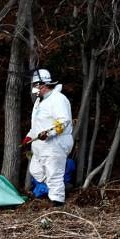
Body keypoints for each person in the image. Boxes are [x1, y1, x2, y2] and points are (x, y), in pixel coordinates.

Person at [26, 68, 73, 207]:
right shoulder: (39, 102)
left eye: (35, 85)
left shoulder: (58, 99)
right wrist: (29, 136)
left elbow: (63, 121)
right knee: (35, 170)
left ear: (43, 85)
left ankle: (57, 204)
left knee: (54, 174)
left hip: (55, 144)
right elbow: (37, 124)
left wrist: (49, 133)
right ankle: (58, 187)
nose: (34, 89)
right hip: (40, 146)